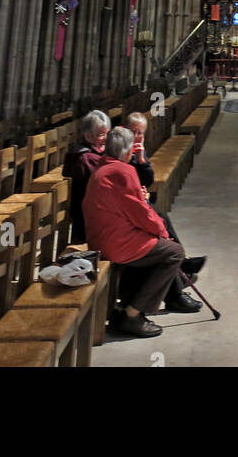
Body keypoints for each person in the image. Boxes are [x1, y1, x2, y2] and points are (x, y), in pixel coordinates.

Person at [83, 125, 185, 339]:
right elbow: (141, 213)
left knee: (153, 249)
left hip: (101, 237)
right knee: (174, 252)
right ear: (128, 151)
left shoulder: (104, 168)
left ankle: (125, 307)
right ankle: (132, 313)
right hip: (115, 242)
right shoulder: (122, 171)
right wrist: (161, 229)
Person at [125, 110, 205, 314]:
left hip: (134, 208)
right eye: (133, 132)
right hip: (127, 217)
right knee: (162, 233)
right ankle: (176, 287)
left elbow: (148, 180)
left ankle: (180, 268)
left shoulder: (135, 153)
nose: (137, 137)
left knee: (163, 220)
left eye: (140, 133)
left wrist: (141, 160)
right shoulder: (118, 155)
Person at [62, 110, 109, 242]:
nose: (106, 138)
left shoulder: (82, 153)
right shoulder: (86, 158)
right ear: (88, 136)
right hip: (88, 218)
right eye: (101, 135)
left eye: (107, 134)